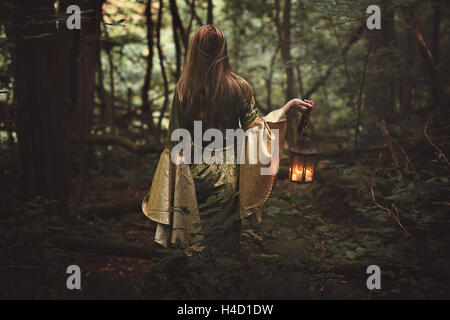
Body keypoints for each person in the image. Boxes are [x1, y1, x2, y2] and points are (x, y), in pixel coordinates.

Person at [142, 25, 314, 251]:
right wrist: (287, 108)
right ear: (223, 50)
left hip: (191, 175)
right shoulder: (239, 87)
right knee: (224, 240)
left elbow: (174, 143)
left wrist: (167, 190)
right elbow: (257, 129)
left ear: (194, 50)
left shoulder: (184, 89)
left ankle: (193, 282)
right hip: (228, 176)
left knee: (192, 237)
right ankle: (223, 282)